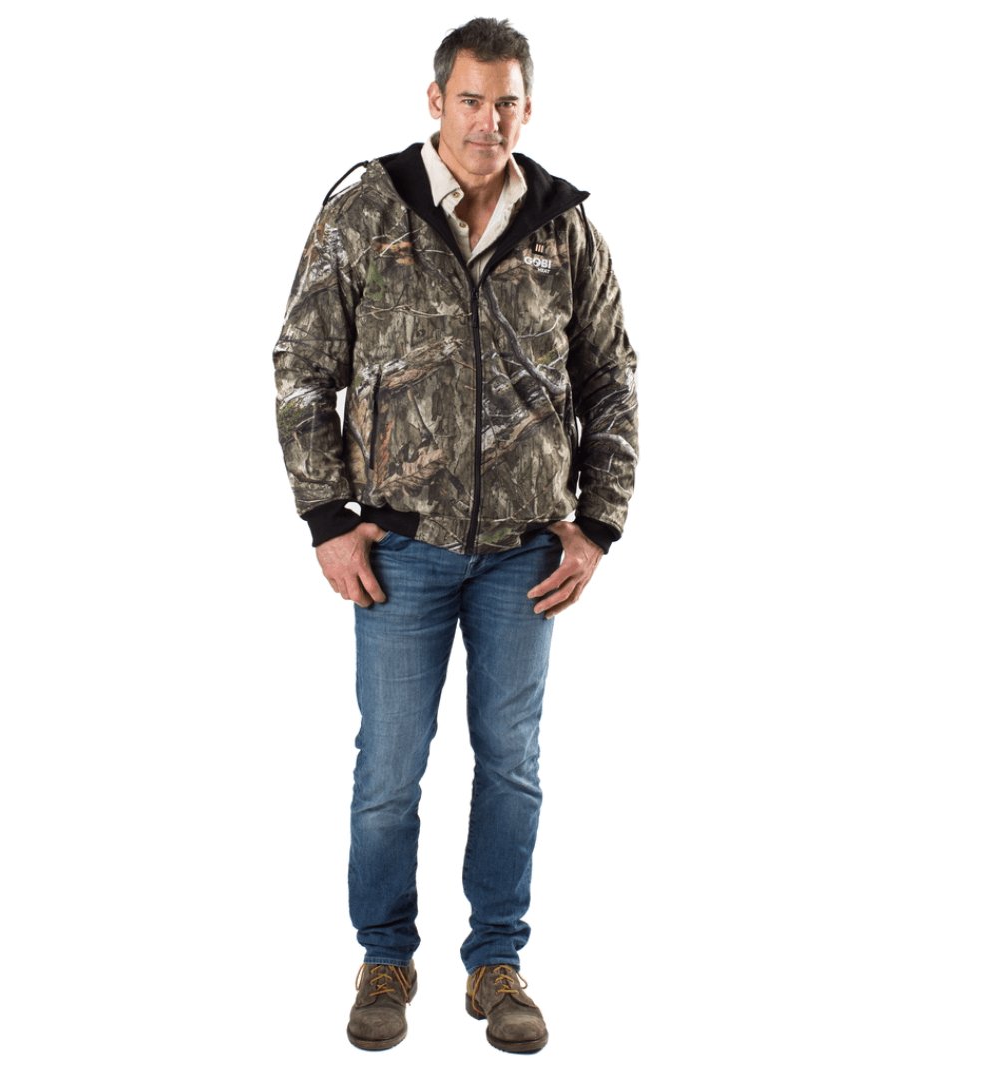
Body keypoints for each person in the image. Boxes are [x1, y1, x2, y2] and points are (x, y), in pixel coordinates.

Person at [272, 17, 638, 1054]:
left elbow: (612, 377)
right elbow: (302, 365)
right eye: (471, 100)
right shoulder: (365, 210)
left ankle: (496, 963)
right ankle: (385, 957)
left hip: (527, 553)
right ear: (436, 101)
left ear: (528, 108)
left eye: (506, 103)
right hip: (400, 551)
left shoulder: (564, 227)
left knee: (512, 763)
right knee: (389, 769)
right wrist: (328, 520)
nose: (489, 121)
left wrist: (598, 524)